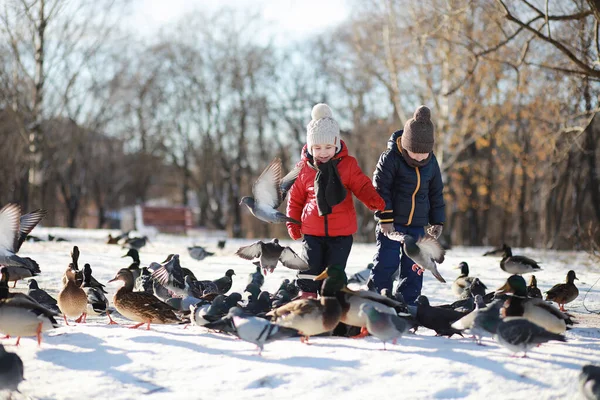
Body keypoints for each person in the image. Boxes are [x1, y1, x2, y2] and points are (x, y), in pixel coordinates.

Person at [286, 103, 386, 297]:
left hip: (341, 233)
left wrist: (374, 201)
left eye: (328, 147)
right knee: (309, 268)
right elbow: (295, 200)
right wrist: (293, 223)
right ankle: (307, 301)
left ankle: (330, 303)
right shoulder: (303, 169)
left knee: (334, 272)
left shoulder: (347, 165)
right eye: (317, 147)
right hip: (311, 232)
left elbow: (362, 185)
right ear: (310, 147)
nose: (323, 152)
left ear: (337, 144)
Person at [370, 105, 446, 305]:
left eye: (424, 155)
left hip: (417, 226)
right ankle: (377, 298)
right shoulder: (391, 158)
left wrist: (437, 221)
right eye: (414, 154)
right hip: (392, 224)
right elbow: (380, 189)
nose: (419, 159)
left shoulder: (431, 163)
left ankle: (408, 303)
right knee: (387, 262)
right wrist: (385, 218)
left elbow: (436, 192)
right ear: (405, 145)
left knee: (414, 267)